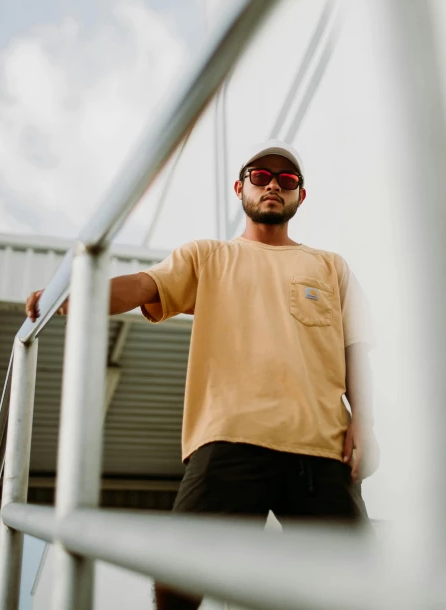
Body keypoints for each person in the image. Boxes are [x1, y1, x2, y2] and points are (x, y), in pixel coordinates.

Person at [26, 139, 379, 610]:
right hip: (230, 438)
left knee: (356, 588)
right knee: (178, 579)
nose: (273, 184)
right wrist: (76, 290)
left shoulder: (330, 267)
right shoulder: (208, 256)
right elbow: (143, 286)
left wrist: (365, 422)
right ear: (241, 188)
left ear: (300, 196)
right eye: (260, 177)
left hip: (320, 447)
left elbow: (355, 348)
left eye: (287, 180)